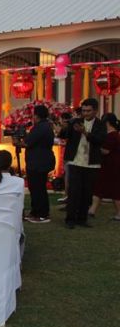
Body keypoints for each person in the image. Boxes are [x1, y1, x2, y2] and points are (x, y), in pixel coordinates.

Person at [60, 98, 106, 229]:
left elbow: (100, 140)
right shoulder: (75, 121)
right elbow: (64, 135)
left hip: (92, 163)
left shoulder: (100, 124)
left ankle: (82, 218)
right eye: (84, 110)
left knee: (87, 192)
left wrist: (85, 132)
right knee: (74, 191)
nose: (85, 113)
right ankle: (70, 219)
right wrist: (63, 127)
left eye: (88, 111)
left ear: (95, 111)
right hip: (75, 161)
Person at [13, 104, 55, 223]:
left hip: (38, 162)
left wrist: (17, 142)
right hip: (40, 161)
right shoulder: (45, 126)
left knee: (38, 188)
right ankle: (36, 211)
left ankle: (41, 214)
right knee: (36, 187)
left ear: (36, 116)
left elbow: (27, 143)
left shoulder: (41, 127)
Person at [89, 113, 120, 220]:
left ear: (106, 122)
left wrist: (95, 147)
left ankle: (119, 213)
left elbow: (105, 151)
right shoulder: (112, 134)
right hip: (108, 165)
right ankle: (92, 210)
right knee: (99, 187)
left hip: (111, 166)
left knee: (114, 190)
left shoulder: (112, 135)